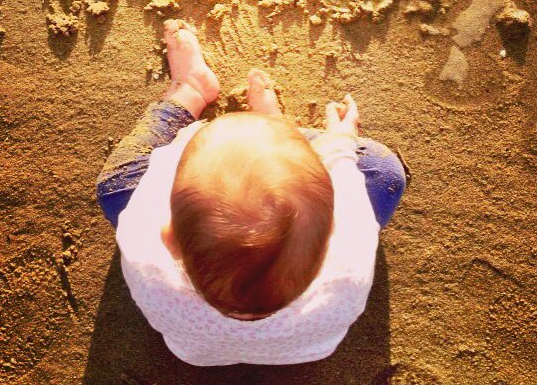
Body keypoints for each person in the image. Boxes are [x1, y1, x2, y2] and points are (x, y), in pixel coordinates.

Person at [96, 19, 407, 366]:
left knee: (116, 189)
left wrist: (186, 138)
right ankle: (275, 127)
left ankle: (189, 92)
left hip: (198, 352)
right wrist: (339, 142)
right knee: (383, 170)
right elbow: (348, 189)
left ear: (167, 237)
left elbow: (156, 175)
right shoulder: (348, 265)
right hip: (306, 347)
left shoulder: (148, 262)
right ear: (332, 231)